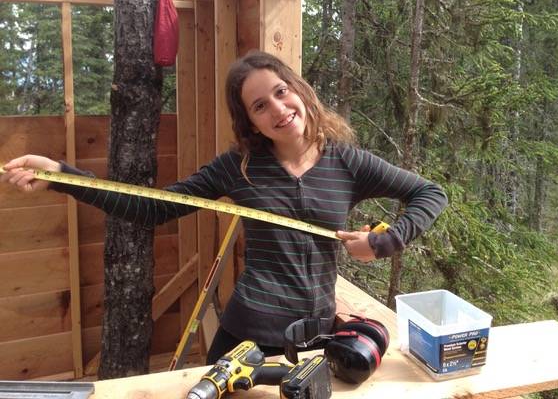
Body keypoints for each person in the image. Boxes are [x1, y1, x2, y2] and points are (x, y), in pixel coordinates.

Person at [0, 50, 448, 363]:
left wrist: (386, 241)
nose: (278, 108)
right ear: (249, 121)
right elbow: (153, 209)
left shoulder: (347, 161)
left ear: (298, 88)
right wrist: (62, 175)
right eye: (259, 105)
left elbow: (431, 194)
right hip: (245, 337)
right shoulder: (239, 167)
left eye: (280, 91)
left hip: (316, 337)